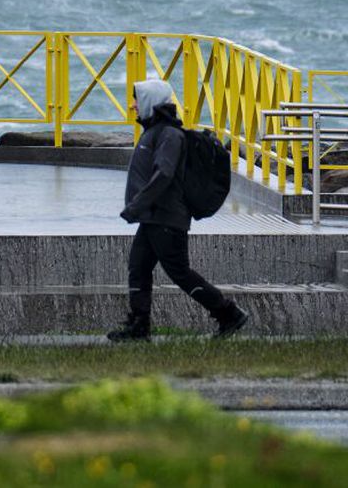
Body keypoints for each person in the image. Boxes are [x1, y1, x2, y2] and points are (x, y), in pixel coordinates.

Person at [107, 78, 250, 342]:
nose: (133, 106)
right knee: (138, 268)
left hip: (167, 218)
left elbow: (164, 174)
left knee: (180, 273)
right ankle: (139, 327)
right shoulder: (154, 132)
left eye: (137, 100)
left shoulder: (169, 135)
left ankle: (228, 313)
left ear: (150, 101)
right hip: (153, 218)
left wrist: (136, 206)